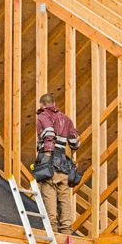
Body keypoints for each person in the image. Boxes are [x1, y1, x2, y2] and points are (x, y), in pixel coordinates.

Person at [35, 93, 80, 235]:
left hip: (50, 165)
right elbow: (75, 142)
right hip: (64, 167)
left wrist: (46, 158)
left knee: (49, 202)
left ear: (42, 105)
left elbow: (49, 134)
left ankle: (52, 234)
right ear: (54, 103)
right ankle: (67, 233)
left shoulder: (43, 116)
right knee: (65, 199)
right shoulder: (66, 119)